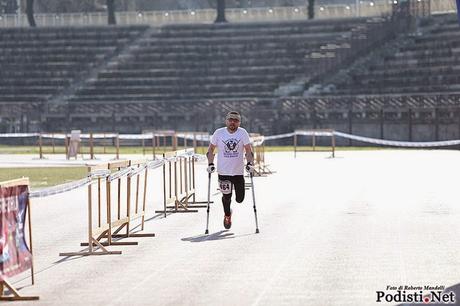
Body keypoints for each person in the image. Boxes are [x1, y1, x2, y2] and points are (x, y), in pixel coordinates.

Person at [206, 111, 254, 229]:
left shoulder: (243, 133)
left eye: (236, 120)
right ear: (226, 121)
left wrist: (249, 163)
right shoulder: (219, 133)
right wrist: (211, 163)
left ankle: (230, 210)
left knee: (239, 199)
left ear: (239, 122)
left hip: (238, 172)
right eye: (230, 119)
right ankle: (227, 215)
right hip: (223, 172)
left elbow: (248, 150)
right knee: (227, 197)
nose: (233, 122)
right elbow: (210, 150)